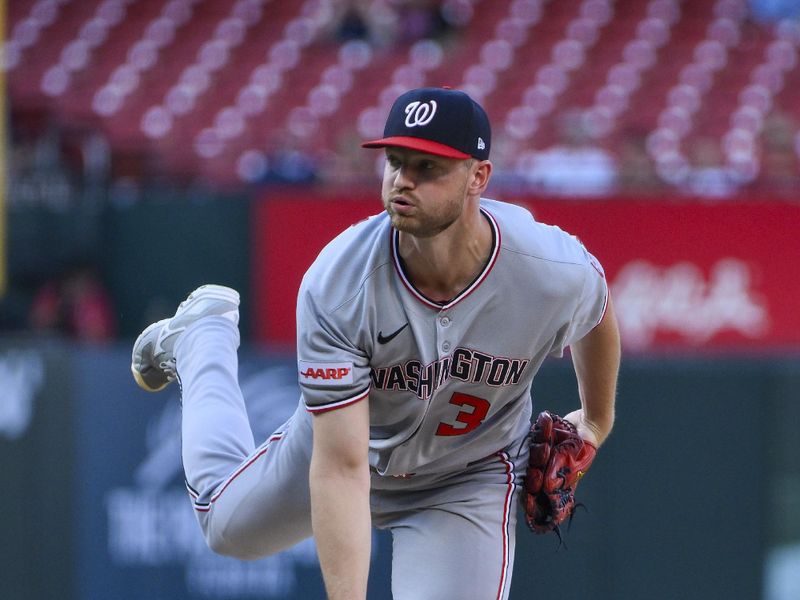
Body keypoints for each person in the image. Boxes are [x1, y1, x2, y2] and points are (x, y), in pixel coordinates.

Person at [131, 87, 621, 600]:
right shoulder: (339, 283)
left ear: (479, 177)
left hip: (464, 477)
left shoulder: (547, 267)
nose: (402, 181)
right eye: (395, 161)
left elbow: (597, 311)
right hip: (349, 449)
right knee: (225, 528)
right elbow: (341, 469)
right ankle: (201, 340)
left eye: (428, 168)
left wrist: (595, 420)